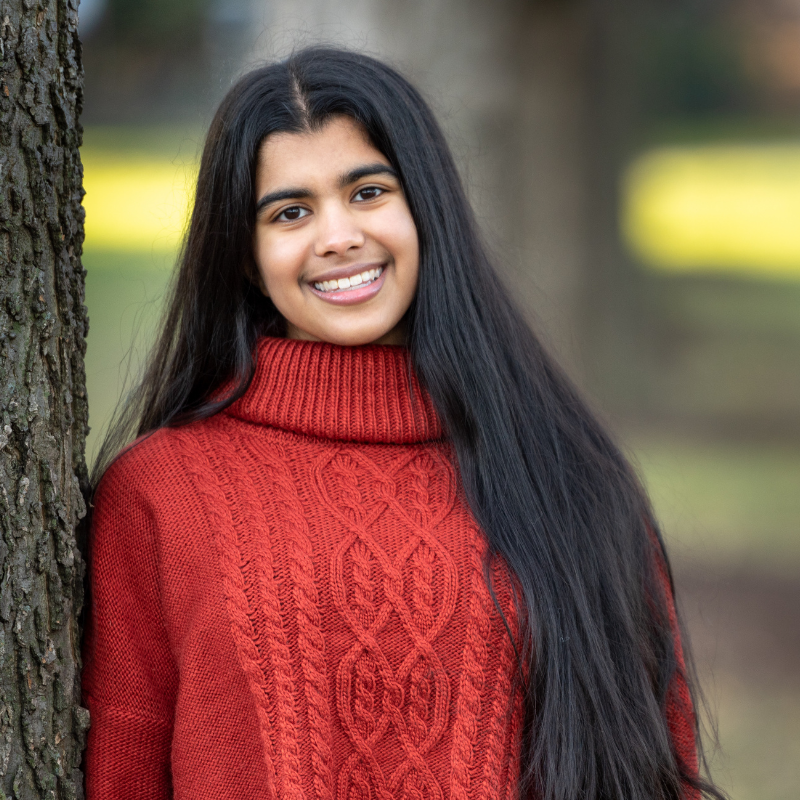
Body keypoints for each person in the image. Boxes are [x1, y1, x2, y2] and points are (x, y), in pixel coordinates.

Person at [82, 46, 724, 800]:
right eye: (291, 212)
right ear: (248, 259)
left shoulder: (568, 473)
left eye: (367, 192)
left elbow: (655, 768)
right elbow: (121, 779)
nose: (338, 236)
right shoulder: (159, 494)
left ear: (426, 207)